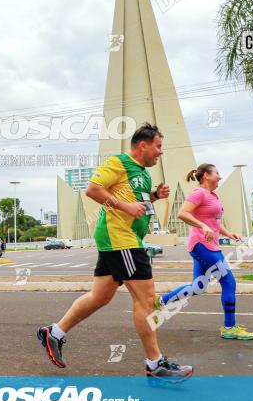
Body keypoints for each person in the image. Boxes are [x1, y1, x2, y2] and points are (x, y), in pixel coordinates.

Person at [37, 123, 193, 382]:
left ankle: (54, 333)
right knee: (147, 300)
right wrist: (125, 207)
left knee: (100, 296)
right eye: (158, 146)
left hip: (123, 238)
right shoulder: (118, 162)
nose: (160, 152)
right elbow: (93, 189)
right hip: (120, 238)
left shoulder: (142, 173)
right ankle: (155, 364)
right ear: (142, 145)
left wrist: (153, 196)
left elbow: (136, 203)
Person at [155, 163, 253, 340]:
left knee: (198, 287)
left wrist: (228, 234)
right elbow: (182, 213)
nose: (220, 176)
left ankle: (161, 301)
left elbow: (214, 222)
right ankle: (229, 327)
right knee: (229, 282)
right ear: (206, 176)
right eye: (217, 173)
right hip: (202, 244)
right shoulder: (198, 193)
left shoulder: (213, 195)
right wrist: (202, 226)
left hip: (206, 245)